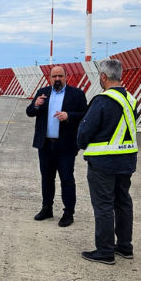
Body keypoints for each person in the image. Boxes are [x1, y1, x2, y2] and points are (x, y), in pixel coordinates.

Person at [77, 59, 138, 266]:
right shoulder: (131, 100)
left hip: (103, 162)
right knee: (123, 202)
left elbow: (86, 130)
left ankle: (105, 251)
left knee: (103, 205)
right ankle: (125, 246)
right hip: (127, 160)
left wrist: (79, 143)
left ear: (103, 76)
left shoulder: (102, 100)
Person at [25, 66, 87, 226]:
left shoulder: (77, 94)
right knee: (47, 179)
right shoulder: (43, 92)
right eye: (54, 76)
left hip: (66, 145)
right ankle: (47, 208)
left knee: (66, 179)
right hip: (45, 144)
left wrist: (69, 115)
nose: (57, 79)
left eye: (60, 76)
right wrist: (35, 105)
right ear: (50, 78)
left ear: (66, 77)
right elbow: (30, 112)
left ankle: (68, 213)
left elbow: (85, 114)